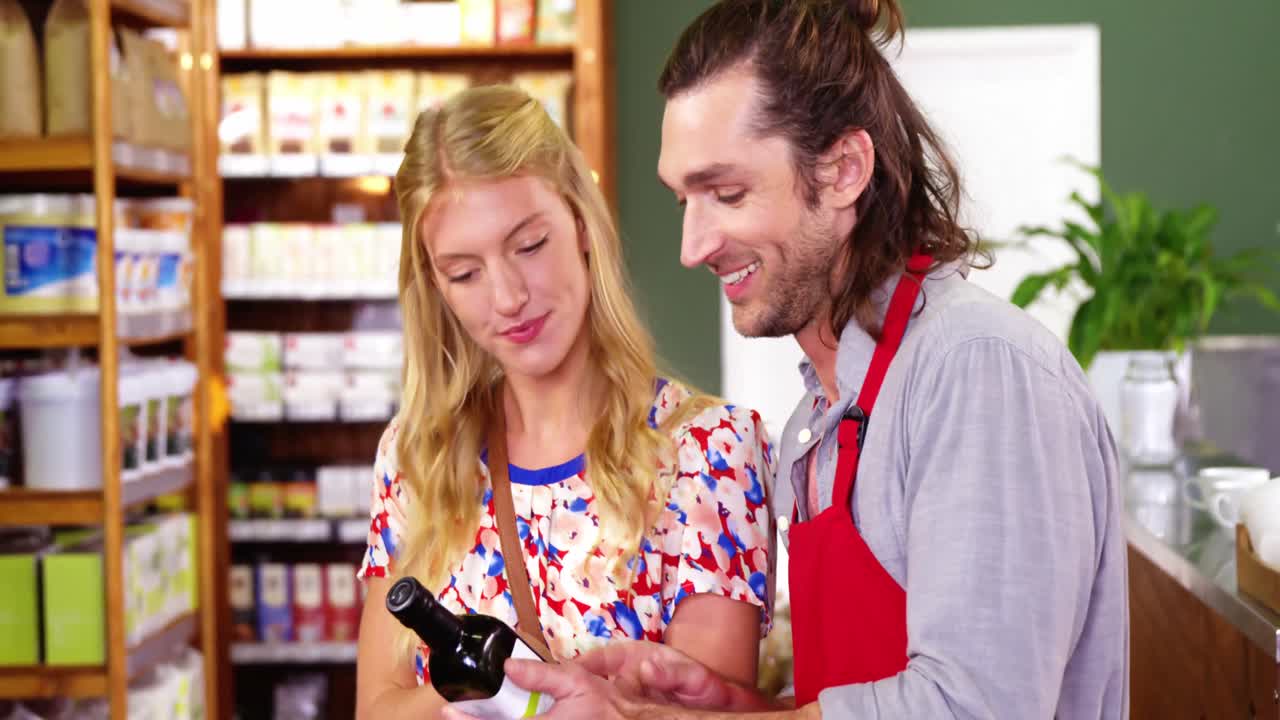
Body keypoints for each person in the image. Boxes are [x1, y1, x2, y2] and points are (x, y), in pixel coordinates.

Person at [474, 1, 1129, 718]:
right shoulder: (819, 421)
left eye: (727, 193)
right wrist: (731, 705)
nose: (692, 247)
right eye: (683, 201)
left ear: (845, 169)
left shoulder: (978, 372)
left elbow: (976, 706)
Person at [355, 84, 776, 719]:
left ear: (580, 221)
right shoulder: (418, 457)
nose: (507, 297)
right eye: (464, 273)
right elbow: (374, 709)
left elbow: (711, 712)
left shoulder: (709, 453)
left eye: (529, 246)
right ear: (435, 286)